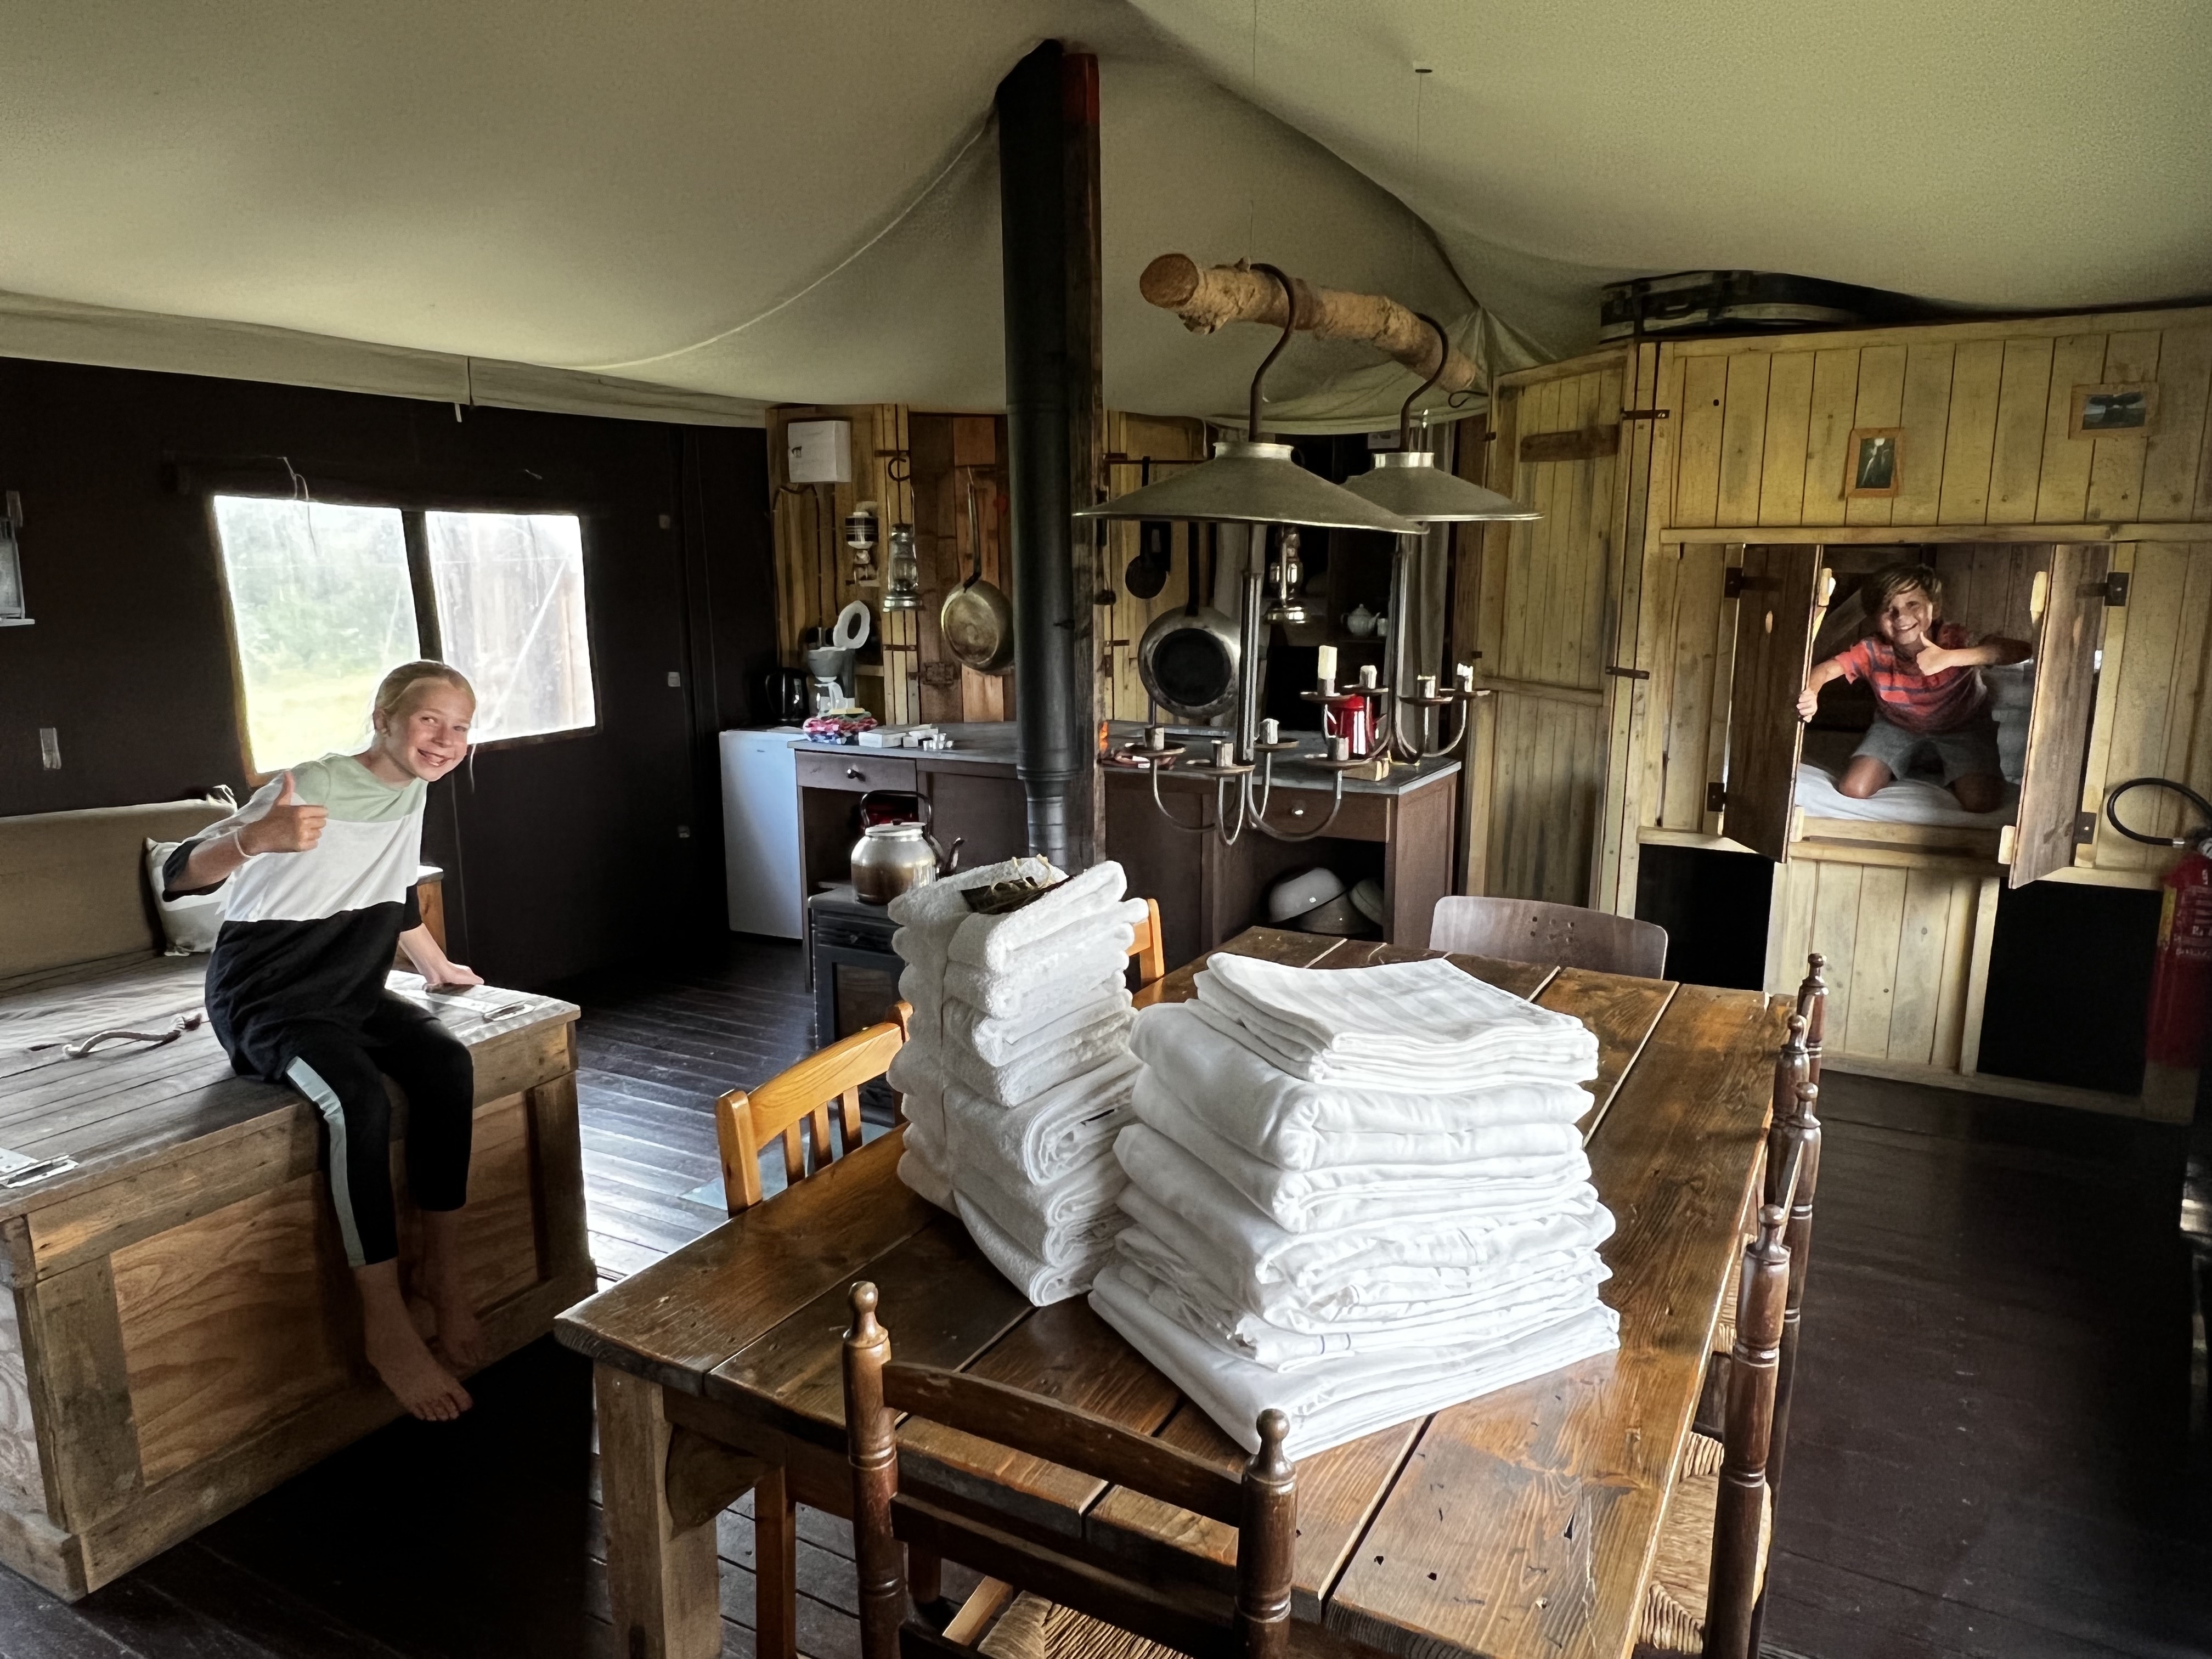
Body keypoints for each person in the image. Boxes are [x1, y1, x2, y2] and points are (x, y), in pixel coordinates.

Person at [165, 662, 487, 1420]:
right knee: (358, 1101)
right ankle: (384, 1322)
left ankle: (443, 1270)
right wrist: (253, 839)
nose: (444, 740)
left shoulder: (416, 786)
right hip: (268, 999)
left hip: (349, 990)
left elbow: (392, 886)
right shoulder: (308, 783)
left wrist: (437, 967)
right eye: (428, 721)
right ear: (384, 718)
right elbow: (176, 874)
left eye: (460, 726)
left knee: (448, 1064)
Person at [1797, 563, 2029, 812]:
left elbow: (2019, 651)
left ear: (1934, 607)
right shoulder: (1872, 650)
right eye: (1889, 610)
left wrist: (1951, 658)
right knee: (1854, 789)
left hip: (1964, 726)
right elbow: (1828, 669)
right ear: (1876, 619)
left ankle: (1938, 765)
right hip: (1897, 727)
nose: (1901, 617)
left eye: (1913, 604)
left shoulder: (1956, 638)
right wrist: (1811, 692)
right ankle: (1913, 762)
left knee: (1981, 802)